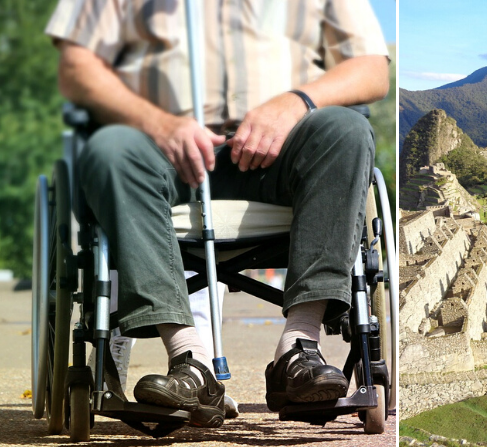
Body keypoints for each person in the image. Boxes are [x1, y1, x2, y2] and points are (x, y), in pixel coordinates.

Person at [46, 0, 390, 428]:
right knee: (110, 150)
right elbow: (77, 67)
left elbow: (372, 68)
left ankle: (299, 348)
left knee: (347, 130)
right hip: (158, 149)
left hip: (283, 148)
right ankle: (190, 362)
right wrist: (155, 120)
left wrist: (298, 100)